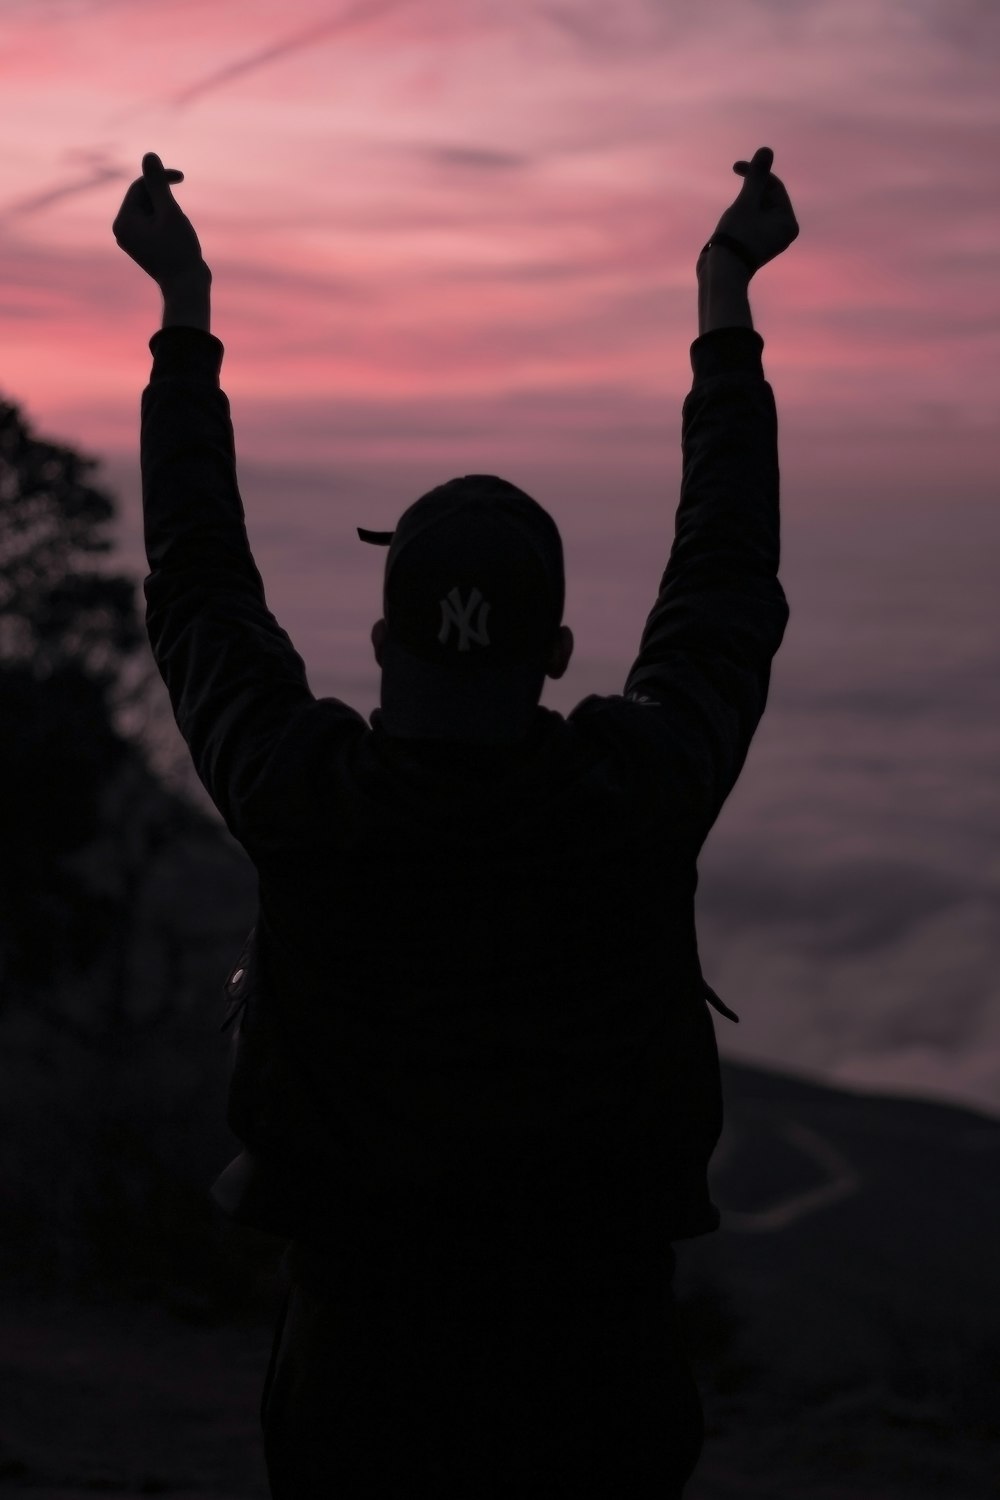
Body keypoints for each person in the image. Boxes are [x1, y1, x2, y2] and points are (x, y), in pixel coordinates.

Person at [113, 143, 797, 1498]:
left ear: (380, 635)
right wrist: (726, 294)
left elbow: (197, 585)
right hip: (600, 1370)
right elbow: (725, 580)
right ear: (555, 654)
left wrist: (183, 310)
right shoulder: (634, 796)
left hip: (358, 1373)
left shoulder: (307, 799)